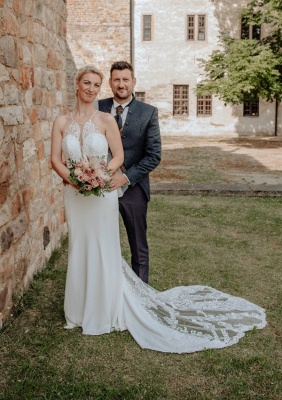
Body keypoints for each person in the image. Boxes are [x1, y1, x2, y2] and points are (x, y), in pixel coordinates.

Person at [51, 65, 266, 353]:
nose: (95, 88)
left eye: (123, 80)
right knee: (80, 247)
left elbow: (145, 155)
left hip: (121, 188)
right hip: (79, 195)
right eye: (110, 81)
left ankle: (131, 298)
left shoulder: (141, 113)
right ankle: (80, 308)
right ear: (79, 85)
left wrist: (107, 177)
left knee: (126, 246)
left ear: (133, 82)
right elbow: (57, 159)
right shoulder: (80, 114)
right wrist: (76, 180)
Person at [98, 61, 162, 284]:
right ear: (110, 83)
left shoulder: (148, 113)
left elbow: (154, 155)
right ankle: (105, 291)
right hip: (99, 187)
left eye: (126, 79)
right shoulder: (97, 107)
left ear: (133, 82)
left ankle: (142, 297)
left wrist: (125, 177)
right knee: (100, 242)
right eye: (116, 79)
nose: (121, 84)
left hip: (133, 187)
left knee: (138, 244)